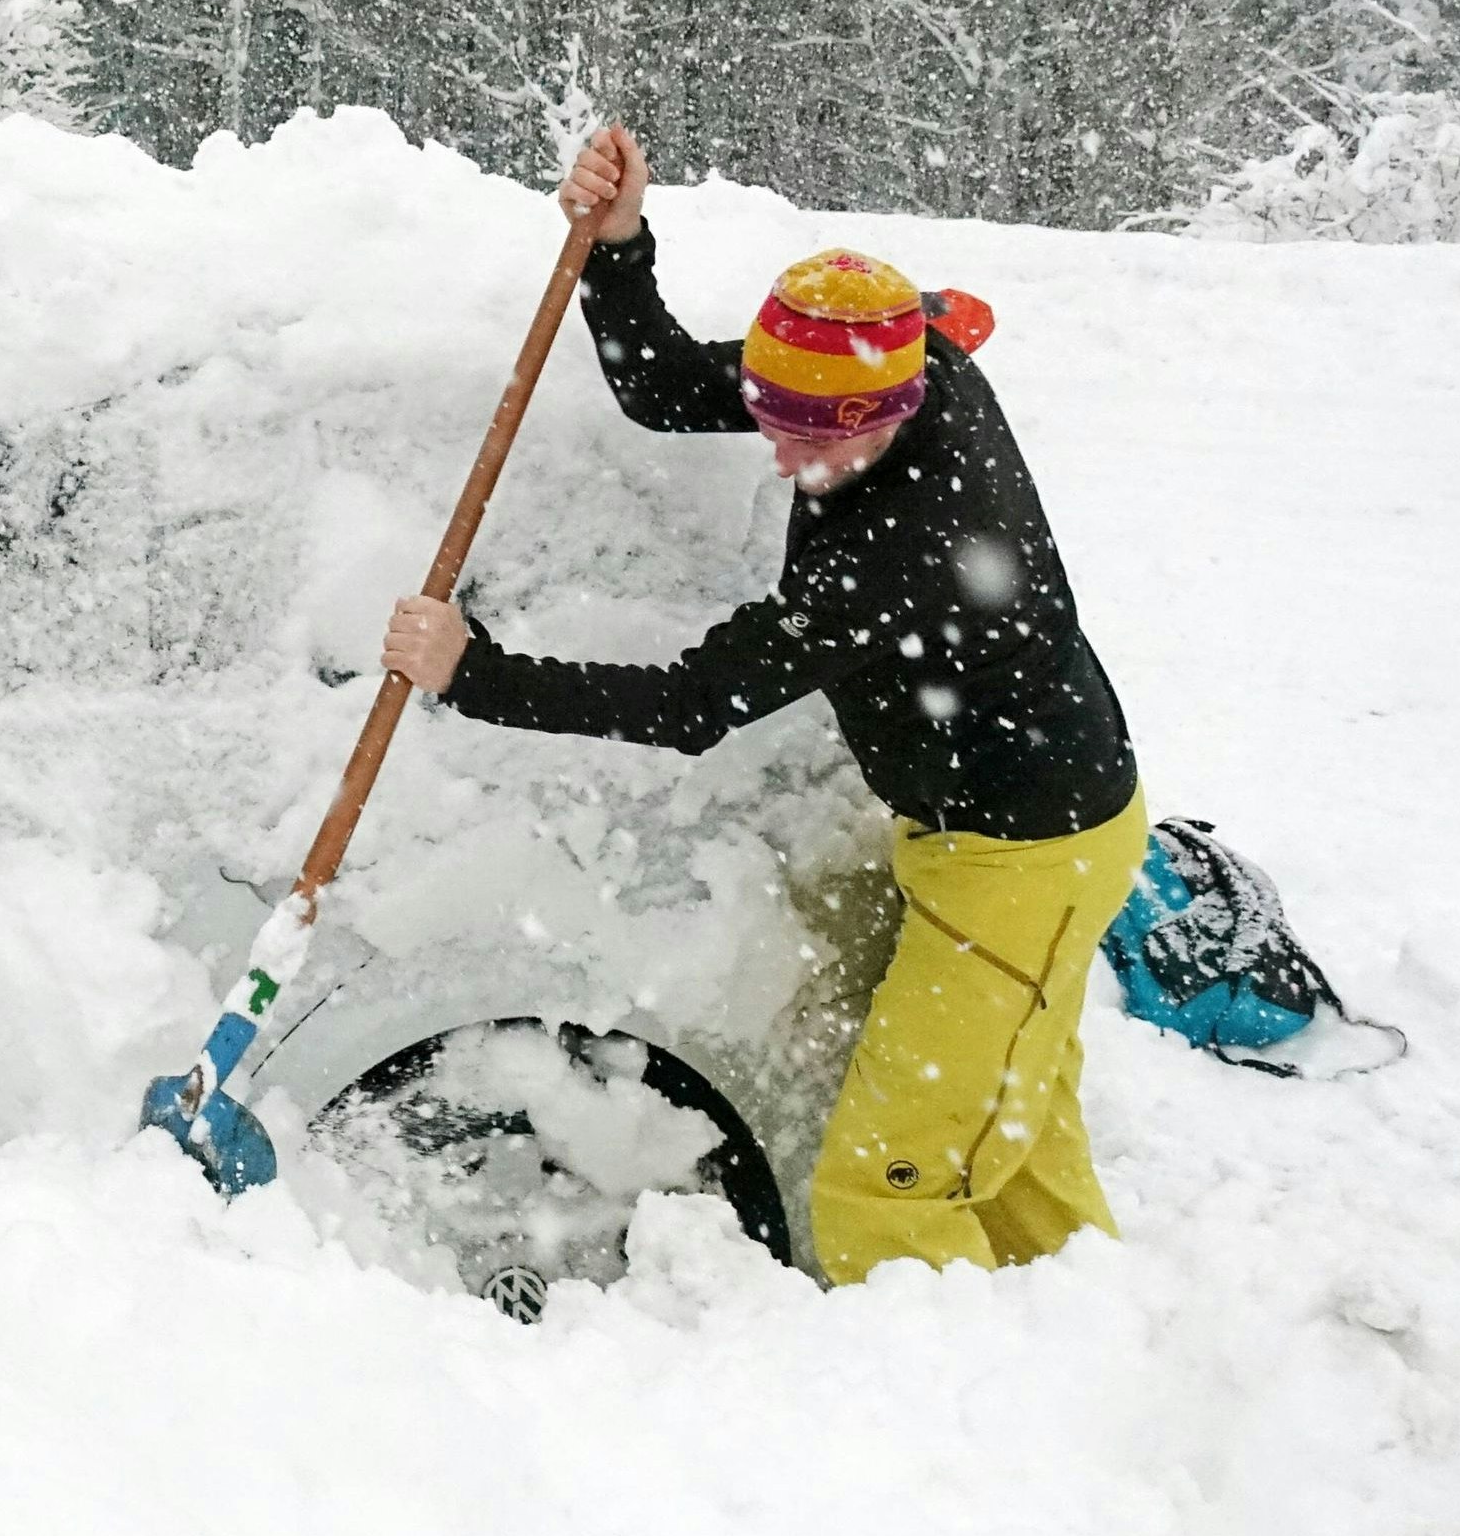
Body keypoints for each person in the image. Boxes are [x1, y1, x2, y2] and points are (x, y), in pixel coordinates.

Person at [377, 125, 1140, 1285]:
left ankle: (940, 1409)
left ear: (885, 412)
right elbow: (663, 386)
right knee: (1008, 1128)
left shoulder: (902, 554)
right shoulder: (877, 359)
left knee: (886, 1176)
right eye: (772, 422)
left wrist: (476, 676)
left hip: (1023, 851)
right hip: (992, 829)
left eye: (810, 446)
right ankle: (1072, 1317)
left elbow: (691, 702)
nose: (780, 460)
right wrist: (619, 245)